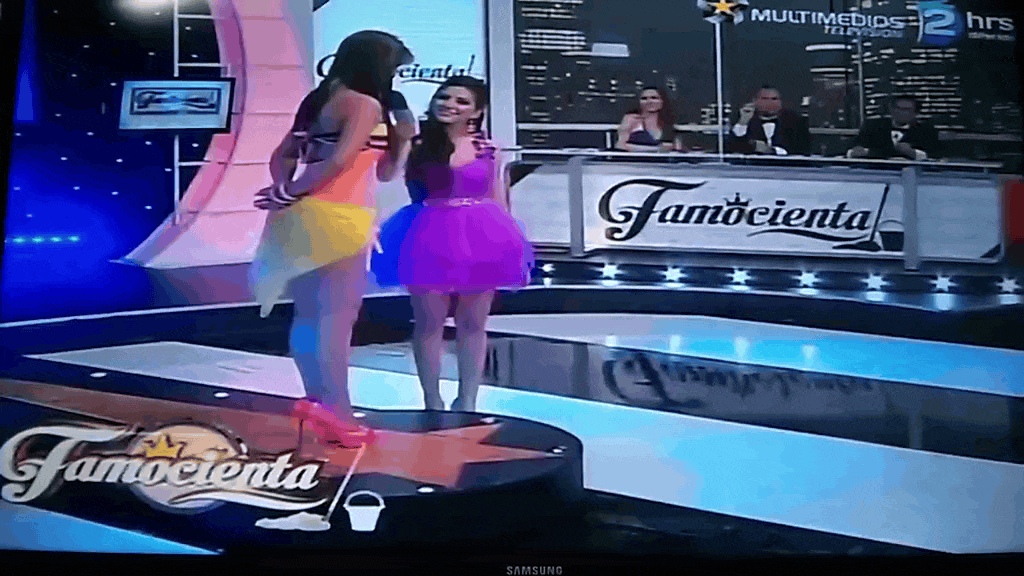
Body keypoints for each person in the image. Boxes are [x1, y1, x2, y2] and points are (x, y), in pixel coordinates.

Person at [248, 31, 416, 448]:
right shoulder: (365, 104)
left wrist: (287, 190)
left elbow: (285, 154)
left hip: (302, 217)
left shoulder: (319, 100)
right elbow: (343, 160)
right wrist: (292, 190)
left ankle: (317, 404)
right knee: (336, 321)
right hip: (339, 217)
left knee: (309, 316)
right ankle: (340, 414)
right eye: (394, 68)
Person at [371, 76, 534, 413]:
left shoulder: (487, 148)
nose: (450, 105)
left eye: (462, 101)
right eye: (444, 97)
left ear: (476, 111)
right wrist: (401, 138)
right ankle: (432, 399)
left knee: (473, 325)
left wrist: (510, 245)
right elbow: (388, 175)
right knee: (429, 324)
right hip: (427, 235)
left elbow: (497, 197)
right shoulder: (416, 142)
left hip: (483, 236)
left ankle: (469, 399)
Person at [847, 95, 940, 161]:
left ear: (915, 113)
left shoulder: (925, 130)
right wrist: (854, 152)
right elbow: (852, 148)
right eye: (897, 108)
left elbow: (935, 156)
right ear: (891, 110)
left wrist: (912, 152)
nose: (900, 112)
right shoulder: (872, 126)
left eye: (906, 110)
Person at [727, 85, 810, 156]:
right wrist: (743, 122)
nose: (770, 102)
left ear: (781, 102)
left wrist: (771, 151)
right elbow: (731, 147)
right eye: (764, 99)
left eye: (774, 99)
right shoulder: (744, 120)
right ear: (754, 101)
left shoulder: (795, 122)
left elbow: (804, 150)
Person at [615, 86, 685, 152]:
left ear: (662, 101)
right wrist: (658, 149)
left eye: (654, 98)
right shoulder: (631, 119)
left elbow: (678, 149)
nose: (649, 101)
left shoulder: (669, 123)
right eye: (644, 98)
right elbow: (620, 146)